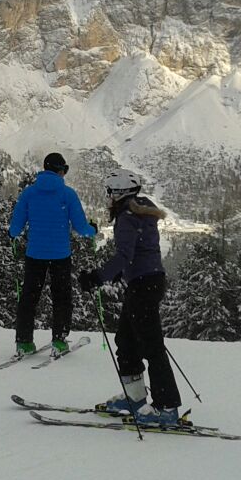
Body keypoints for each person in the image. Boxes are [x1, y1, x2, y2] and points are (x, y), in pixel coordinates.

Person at [77, 169, 180, 426]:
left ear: (119, 192)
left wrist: (97, 277)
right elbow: (142, 249)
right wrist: (119, 273)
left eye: (110, 192)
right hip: (148, 281)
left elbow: (125, 255)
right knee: (126, 341)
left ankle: (166, 408)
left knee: (152, 347)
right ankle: (135, 398)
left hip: (143, 285)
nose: (108, 197)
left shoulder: (127, 217)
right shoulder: (143, 212)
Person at [7, 152, 97, 356]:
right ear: (60, 170)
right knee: (62, 297)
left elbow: (16, 226)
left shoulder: (29, 193)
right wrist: (93, 230)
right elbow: (81, 227)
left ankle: (24, 342)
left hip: (35, 254)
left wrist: (12, 234)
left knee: (29, 297)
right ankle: (59, 340)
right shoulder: (68, 194)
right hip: (60, 255)